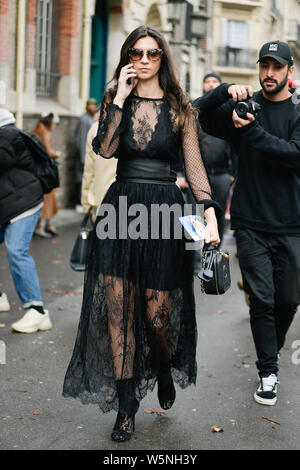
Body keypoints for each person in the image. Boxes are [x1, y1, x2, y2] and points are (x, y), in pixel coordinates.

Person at [63, 25, 221, 442]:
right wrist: (117, 98)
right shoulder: (117, 100)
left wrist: (209, 213)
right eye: (137, 52)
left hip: (165, 212)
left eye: (153, 53)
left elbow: (195, 166)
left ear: (163, 58)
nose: (145, 60)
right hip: (121, 209)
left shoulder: (180, 106)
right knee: (118, 309)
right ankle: (126, 404)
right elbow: (106, 149)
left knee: (156, 316)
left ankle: (163, 365)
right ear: (128, 56)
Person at [193, 40, 300, 406]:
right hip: (250, 221)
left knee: (288, 300)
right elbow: (195, 114)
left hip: (292, 223)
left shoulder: (299, 110)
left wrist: (251, 131)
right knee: (263, 301)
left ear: (290, 71)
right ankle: (268, 370)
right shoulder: (244, 106)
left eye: (277, 67)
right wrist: (223, 90)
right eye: (264, 66)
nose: (269, 74)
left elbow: (293, 155)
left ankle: (271, 347)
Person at [0, 109, 52, 333]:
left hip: (23, 204)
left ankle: (37, 310)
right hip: (12, 202)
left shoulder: (6, 136)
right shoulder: (12, 134)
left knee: (16, 251)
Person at [80, 115, 117, 221]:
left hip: (101, 199)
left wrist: (86, 203)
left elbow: (89, 171)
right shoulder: (139, 128)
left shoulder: (96, 129)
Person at [31, 112, 61, 238]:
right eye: (54, 124)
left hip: (35, 170)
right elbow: (49, 152)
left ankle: (46, 225)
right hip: (46, 171)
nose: (55, 127)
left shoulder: (35, 130)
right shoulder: (46, 133)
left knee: (40, 198)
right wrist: (57, 154)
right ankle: (42, 227)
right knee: (48, 198)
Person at [75, 98, 98, 209]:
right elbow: (81, 138)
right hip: (83, 155)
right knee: (82, 179)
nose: (92, 107)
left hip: (90, 154)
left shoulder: (91, 119)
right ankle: (80, 202)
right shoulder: (84, 120)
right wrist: (83, 157)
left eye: (94, 105)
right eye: (91, 105)